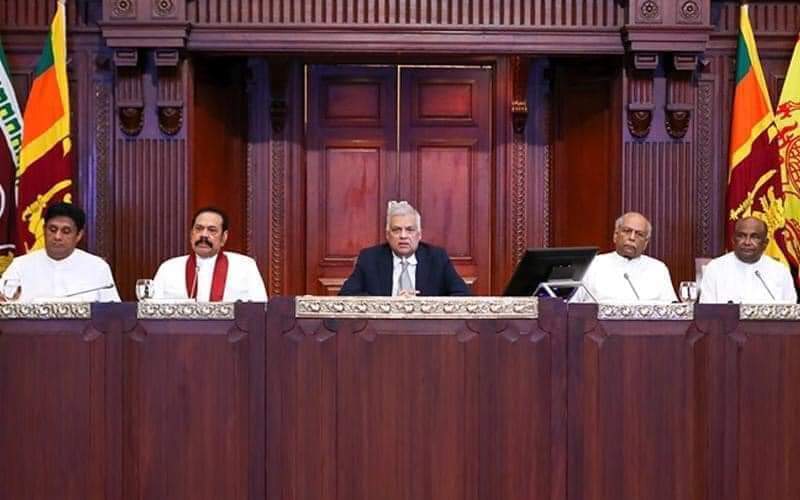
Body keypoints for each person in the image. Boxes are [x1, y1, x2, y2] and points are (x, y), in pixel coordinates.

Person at [339, 200, 470, 297]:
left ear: (419, 235)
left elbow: (463, 296)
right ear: (387, 235)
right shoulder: (369, 259)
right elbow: (346, 296)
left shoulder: (437, 258)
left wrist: (423, 306)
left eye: (409, 230)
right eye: (396, 230)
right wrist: (389, 305)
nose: (403, 236)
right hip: (382, 325)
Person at [0, 202, 121, 302]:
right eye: (52, 229)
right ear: (44, 230)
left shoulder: (97, 267)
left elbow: (112, 314)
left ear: (79, 235)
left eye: (66, 231)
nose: (57, 237)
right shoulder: (20, 265)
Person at [153, 207, 267, 302]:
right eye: (199, 229)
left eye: (212, 230)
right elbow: (151, 309)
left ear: (224, 237)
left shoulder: (245, 266)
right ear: (191, 234)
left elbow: (261, 309)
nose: (204, 235)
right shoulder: (169, 268)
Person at [570, 212, 677, 303]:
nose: (632, 238)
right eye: (627, 231)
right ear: (615, 235)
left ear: (645, 243)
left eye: (639, 234)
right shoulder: (592, 264)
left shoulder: (658, 269)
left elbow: (672, 310)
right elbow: (572, 306)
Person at [699, 216, 797, 303]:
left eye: (755, 237)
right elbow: (706, 312)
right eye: (741, 236)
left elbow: (791, 312)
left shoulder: (780, 272)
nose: (747, 242)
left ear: (765, 244)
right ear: (733, 240)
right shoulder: (715, 268)